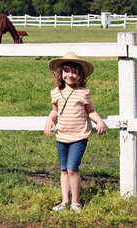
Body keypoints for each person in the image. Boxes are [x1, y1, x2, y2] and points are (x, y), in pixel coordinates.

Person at [44, 52, 107, 212]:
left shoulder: (83, 92)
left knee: (72, 169)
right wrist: (48, 121)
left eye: (74, 72)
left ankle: (75, 202)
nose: (70, 75)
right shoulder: (55, 92)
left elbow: (90, 110)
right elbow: (54, 111)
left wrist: (98, 120)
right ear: (61, 73)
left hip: (79, 136)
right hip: (61, 135)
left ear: (80, 75)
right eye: (66, 71)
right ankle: (64, 201)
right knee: (64, 170)